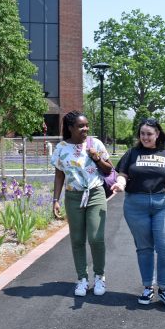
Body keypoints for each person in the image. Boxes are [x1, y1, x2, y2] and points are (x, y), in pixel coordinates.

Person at [110, 118, 165, 309]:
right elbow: (123, 173)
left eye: (149, 134)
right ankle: (147, 287)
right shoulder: (132, 153)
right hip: (136, 204)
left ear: (157, 134)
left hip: (164, 204)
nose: (145, 137)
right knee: (144, 247)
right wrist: (121, 183)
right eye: (142, 133)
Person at [51, 111, 114, 297]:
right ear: (70, 128)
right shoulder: (61, 148)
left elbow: (109, 169)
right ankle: (82, 279)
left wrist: (96, 157)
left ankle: (100, 277)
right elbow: (59, 174)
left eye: (86, 125)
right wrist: (55, 199)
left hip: (95, 194)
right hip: (73, 196)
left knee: (96, 238)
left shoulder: (95, 144)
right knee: (77, 240)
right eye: (81, 126)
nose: (85, 128)